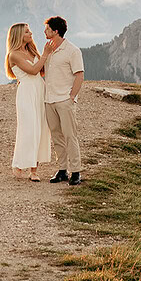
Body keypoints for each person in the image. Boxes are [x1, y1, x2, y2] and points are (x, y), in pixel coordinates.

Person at [5, 22, 56, 181]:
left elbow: (41, 70)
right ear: (19, 35)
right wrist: (45, 54)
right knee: (29, 128)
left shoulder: (30, 50)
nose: (31, 33)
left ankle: (34, 170)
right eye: (27, 32)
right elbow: (33, 70)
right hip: (27, 92)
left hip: (39, 89)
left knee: (41, 127)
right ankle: (19, 163)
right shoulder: (13, 55)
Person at [42, 16, 85, 185]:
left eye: (47, 29)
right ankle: (62, 170)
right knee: (56, 136)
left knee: (70, 136)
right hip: (49, 99)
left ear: (56, 31)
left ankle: (76, 172)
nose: (44, 32)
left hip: (64, 100)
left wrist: (72, 97)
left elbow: (79, 75)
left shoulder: (72, 51)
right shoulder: (48, 50)